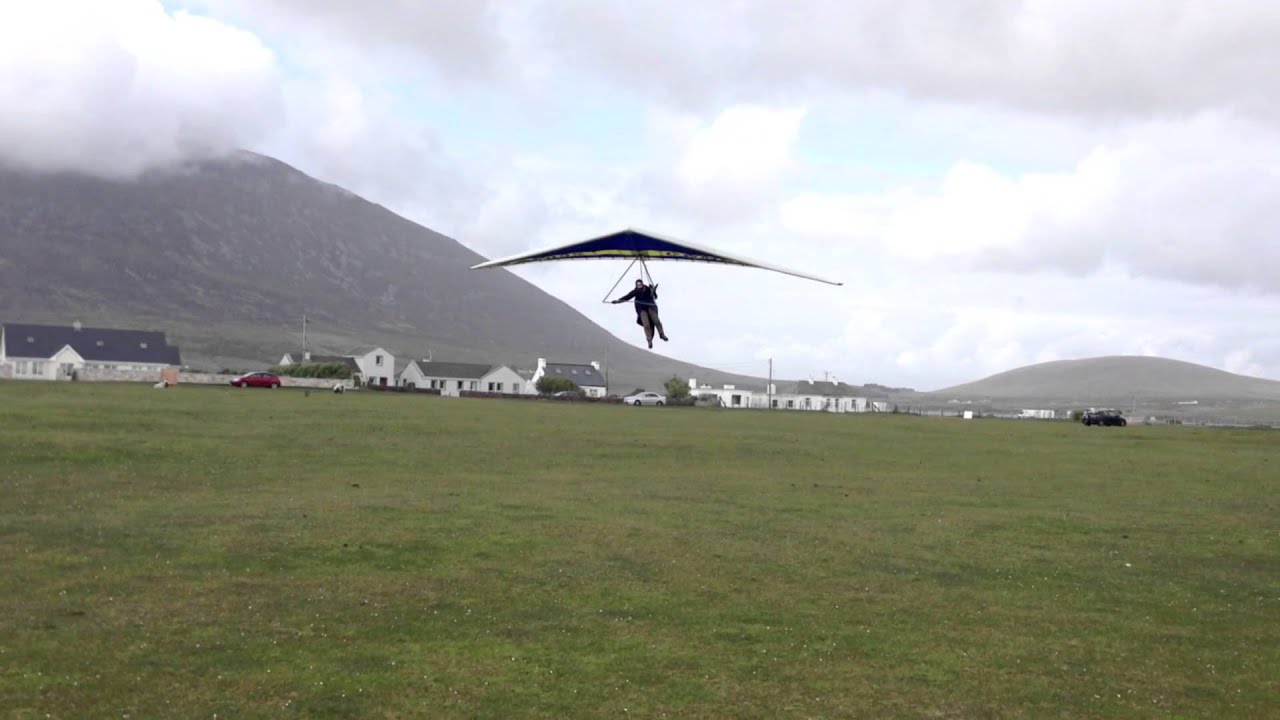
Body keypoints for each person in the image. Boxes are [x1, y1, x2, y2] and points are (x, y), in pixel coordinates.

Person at [612, 278, 668, 348]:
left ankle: (661, 334)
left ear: (642, 284)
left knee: (656, 320)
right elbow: (627, 297)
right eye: (637, 285)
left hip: (650, 306)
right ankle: (649, 340)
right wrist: (617, 301)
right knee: (646, 324)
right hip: (641, 309)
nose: (639, 286)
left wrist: (653, 291)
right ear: (636, 285)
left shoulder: (647, 289)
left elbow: (655, 297)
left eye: (640, 284)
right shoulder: (635, 291)